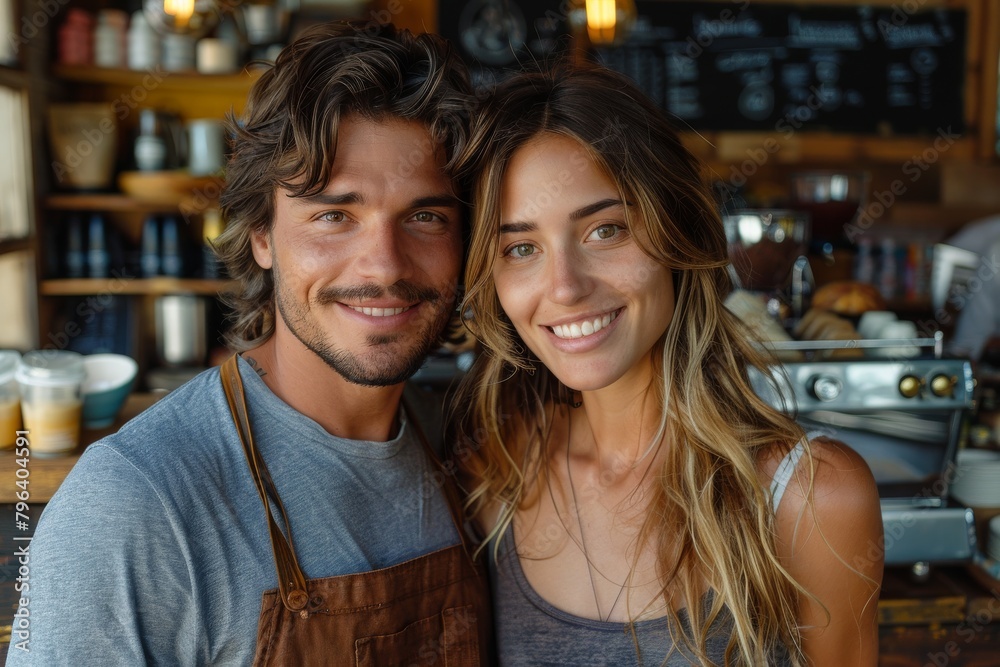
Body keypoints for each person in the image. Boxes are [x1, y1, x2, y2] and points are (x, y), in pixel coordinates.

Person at [8, 21, 492, 665]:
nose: (384, 266)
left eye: (425, 216)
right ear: (261, 234)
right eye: (333, 215)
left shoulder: (468, 458)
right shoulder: (134, 502)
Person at [451, 63, 883, 666]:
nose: (566, 287)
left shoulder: (810, 495)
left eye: (605, 230)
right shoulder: (498, 473)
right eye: (520, 248)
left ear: (678, 233)